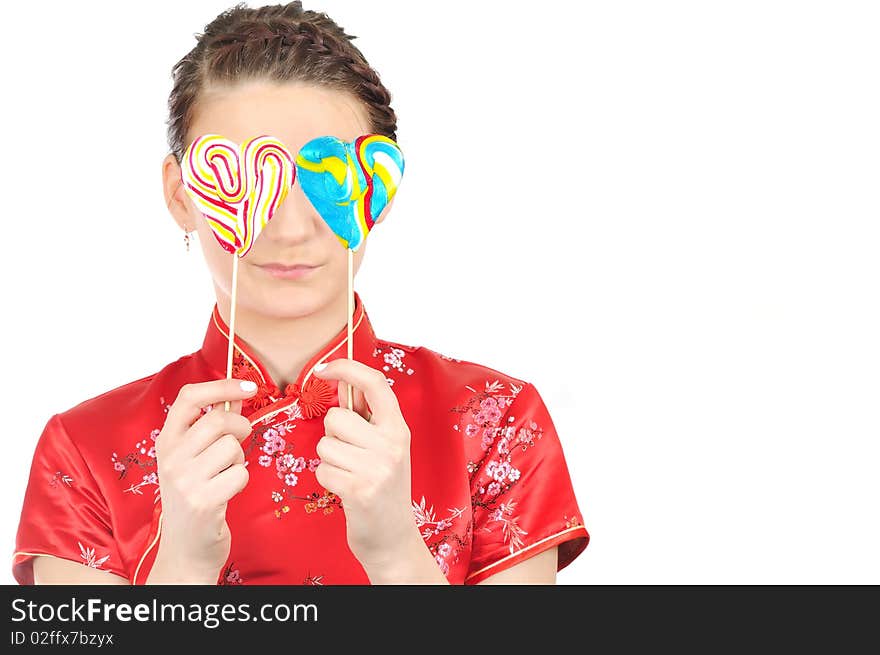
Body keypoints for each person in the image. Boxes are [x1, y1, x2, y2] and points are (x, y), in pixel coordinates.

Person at [12, 1, 589, 585]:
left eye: (327, 180)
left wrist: (395, 552)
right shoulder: (83, 449)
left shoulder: (495, 422)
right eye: (250, 183)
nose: (289, 229)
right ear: (183, 194)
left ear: (378, 188)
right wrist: (182, 564)